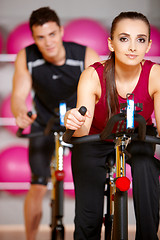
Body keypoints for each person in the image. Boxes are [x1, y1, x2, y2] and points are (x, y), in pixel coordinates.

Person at [64, 11, 160, 240]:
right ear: (111, 43)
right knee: (88, 219)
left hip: (139, 137)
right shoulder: (92, 75)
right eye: (124, 38)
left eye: (140, 40)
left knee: (146, 165)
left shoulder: (155, 74)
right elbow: (82, 130)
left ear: (148, 46)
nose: (133, 47)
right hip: (94, 140)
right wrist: (73, 120)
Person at [11, 6, 100, 240]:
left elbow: (99, 96)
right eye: (40, 37)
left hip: (78, 122)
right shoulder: (27, 56)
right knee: (38, 185)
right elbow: (19, 96)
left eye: (52, 34)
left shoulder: (84, 54)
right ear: (33, 38)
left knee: (88, 183)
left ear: (61, 31)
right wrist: (21, 112)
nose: (48, 42)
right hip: (44, 123)